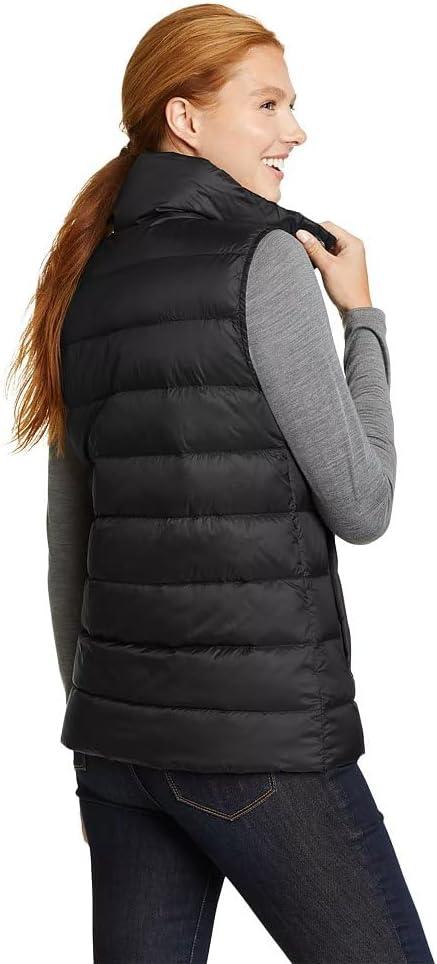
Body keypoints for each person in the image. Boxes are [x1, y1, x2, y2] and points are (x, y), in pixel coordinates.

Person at [7, 4, 434, 962]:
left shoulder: (83, 274)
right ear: (185, 119)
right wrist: (363, 320)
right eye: (268, 104)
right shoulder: (263, 260)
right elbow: (363, 504)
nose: (295, 130)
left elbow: (68, 543)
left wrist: (103, 732)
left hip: (117, 751)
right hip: (259, 754)